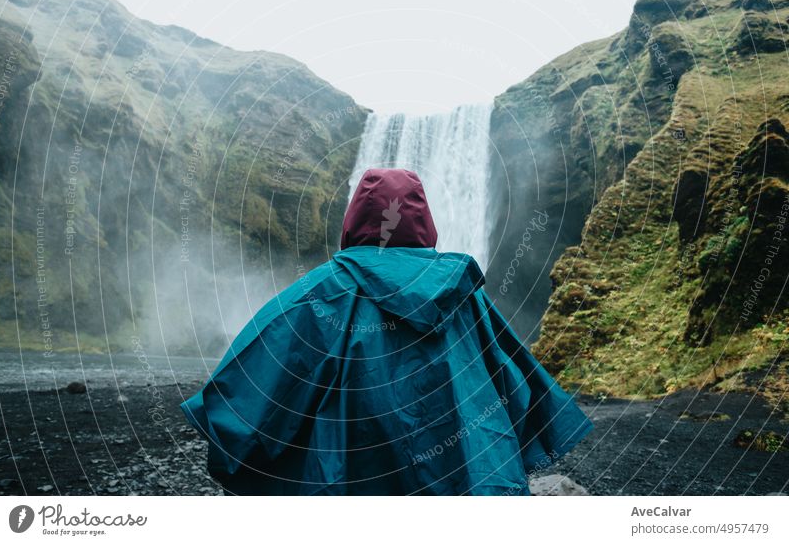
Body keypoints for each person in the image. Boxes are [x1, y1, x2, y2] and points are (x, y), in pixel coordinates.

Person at [181, 168, 592, 495]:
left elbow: (260, 383)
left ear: (355, 217)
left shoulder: (320, 291)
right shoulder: (464, 295)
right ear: (424, 221)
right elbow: (518, 386)